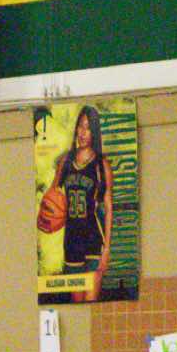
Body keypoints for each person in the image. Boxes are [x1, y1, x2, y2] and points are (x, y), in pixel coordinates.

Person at [51, 106, 112, 303]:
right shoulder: (66, 161)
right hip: (71, 241)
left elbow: (108, 207)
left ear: (95, 132)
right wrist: (50, 214)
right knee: (78, 306)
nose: (83, 132)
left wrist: (107, 249)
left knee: (91, 304)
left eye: (88, 128)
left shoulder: (101, 164)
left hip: (93, 238)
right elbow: (52, 195)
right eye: (80, 126)